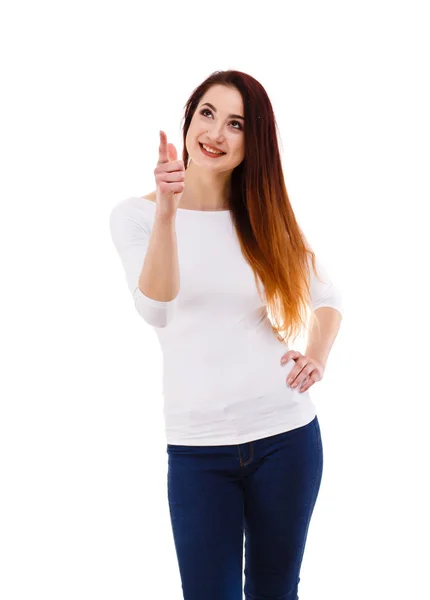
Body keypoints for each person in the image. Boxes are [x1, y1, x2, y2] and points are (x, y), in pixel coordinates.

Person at [109, 69, 343, 600]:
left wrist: (316, 355)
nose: (216, 133)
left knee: (275, 592)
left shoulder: (262, 215)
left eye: (236, 123)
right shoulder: (136, 217)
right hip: (197, 449)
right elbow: (156, 309)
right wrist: (169, 213)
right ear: (188, 119)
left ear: (251, 141)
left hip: (286, 436)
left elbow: (328, 298)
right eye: (208, 114)